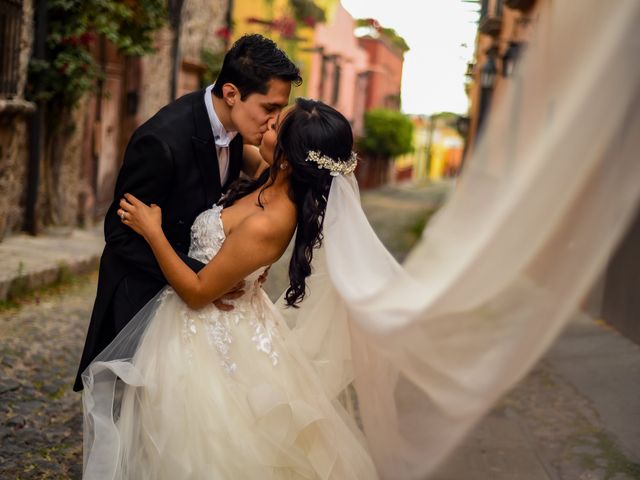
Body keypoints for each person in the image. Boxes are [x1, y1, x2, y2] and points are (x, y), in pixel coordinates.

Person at [82, 98, 378, 478]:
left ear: (288, 158)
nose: (266, 125)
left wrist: (153, 232)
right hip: (221, 321)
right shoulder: (271, 173)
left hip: (209, 332)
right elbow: (225, 148)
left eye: (274, 127)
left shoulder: (268, 222)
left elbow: (198, 291)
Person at [73, 34, 301, 392]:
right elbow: (119, 234)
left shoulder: (240, 128)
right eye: (269, 108)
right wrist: (207, 276)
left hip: (194, 312)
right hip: (143, 300)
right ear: (231, 94)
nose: (274, 121)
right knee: (134, 416)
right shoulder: (161, 142)